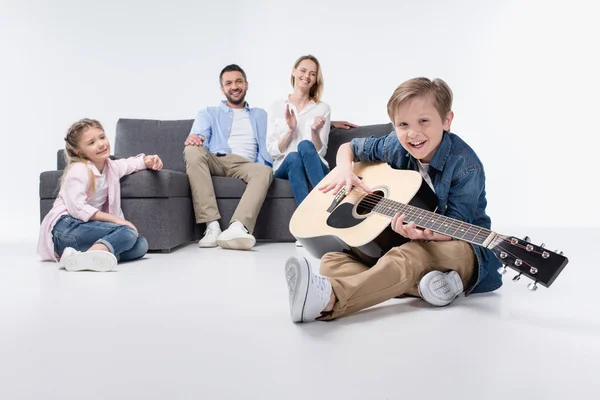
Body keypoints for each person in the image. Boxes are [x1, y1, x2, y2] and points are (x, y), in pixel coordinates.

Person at [283, 77, 503, 322]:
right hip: (402, 241)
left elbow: (457, 225)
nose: (413, 133)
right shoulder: (395, 145)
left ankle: (329, 299)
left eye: (424, 121)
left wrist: (424, 234)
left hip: (465, 247)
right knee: (332, 260)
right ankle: (425, 287)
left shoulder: (465, 165)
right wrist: (344, 169)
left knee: (410, 254)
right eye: (403, 124)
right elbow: (349, 147)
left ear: (446, 120)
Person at [37, 118, 163, 272]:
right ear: (78, 151)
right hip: (65, 228)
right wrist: (117, 220)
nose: (101, 144)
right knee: (127, 232)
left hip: (84, 232)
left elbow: (131, 164)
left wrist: (147, 160)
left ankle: (83, 258)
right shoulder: (79, 169)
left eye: (102, 137)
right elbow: (78, 209)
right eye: (91, 143)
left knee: (140, 245)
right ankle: (91, 255)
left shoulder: (111, 167)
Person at [184, 64, 273, 250]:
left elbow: (289, 126)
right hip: (217, 160)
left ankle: (237, 227)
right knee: (192, 150)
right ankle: (212, 225)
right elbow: (198, 136)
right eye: (229, 83)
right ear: (222, 88)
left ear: (246, 85)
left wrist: (329, 123)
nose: (234, 86)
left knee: (265, 171)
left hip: (246, 165)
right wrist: (195, 138)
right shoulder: (208, 113)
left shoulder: (261, 114)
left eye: (239, 81)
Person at [266, 55, 332, 207]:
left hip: (315, 165)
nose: (307, 76)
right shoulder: (276, 106)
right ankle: (316, 208)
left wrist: (315, 131)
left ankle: (317, 207)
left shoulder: (323, 108)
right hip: (285, 166)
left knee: (304, 145)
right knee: (294, 157)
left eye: (312, 74)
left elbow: (320, 153)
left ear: (315, 79)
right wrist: (290, 130)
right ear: (294, 71)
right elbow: (272, 152)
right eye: (303, 70)